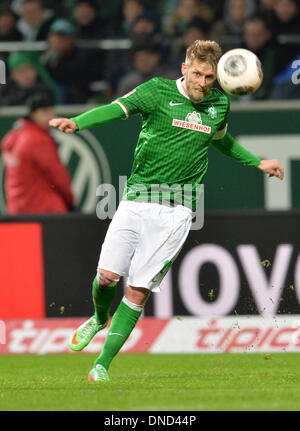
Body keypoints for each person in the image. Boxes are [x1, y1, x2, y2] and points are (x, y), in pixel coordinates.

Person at [49, 40, 284, 382]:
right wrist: (78, 123)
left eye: (210, 78)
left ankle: (101, 364)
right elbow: (116, 108)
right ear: (185, 69)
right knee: (106, 278)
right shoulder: (155, 92)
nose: (203, 83)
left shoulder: (219, 104)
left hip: (177, 213)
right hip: (135, 200)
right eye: (198, 74)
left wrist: (257, 161)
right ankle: (99, 318)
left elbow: (221, 140)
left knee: (138, 290)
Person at [1, 93, 74, 214]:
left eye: (52, 112)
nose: (51, 117)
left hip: (17, 210)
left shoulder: (17, 135)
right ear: (33, 114)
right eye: (45, 112)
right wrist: (70, 201)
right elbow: (58, 176)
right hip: (44, 211)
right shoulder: (38, 140)